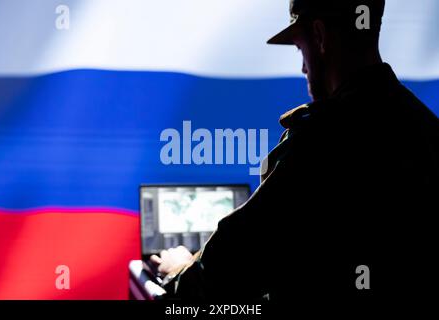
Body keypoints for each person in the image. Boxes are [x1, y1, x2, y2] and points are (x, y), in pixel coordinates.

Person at [152, 0, 439, 302]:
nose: (303, 67)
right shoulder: (428, 130)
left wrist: (176, 273)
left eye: (301, 50)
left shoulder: (324, 139)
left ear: (319, 36)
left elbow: (231, 268)